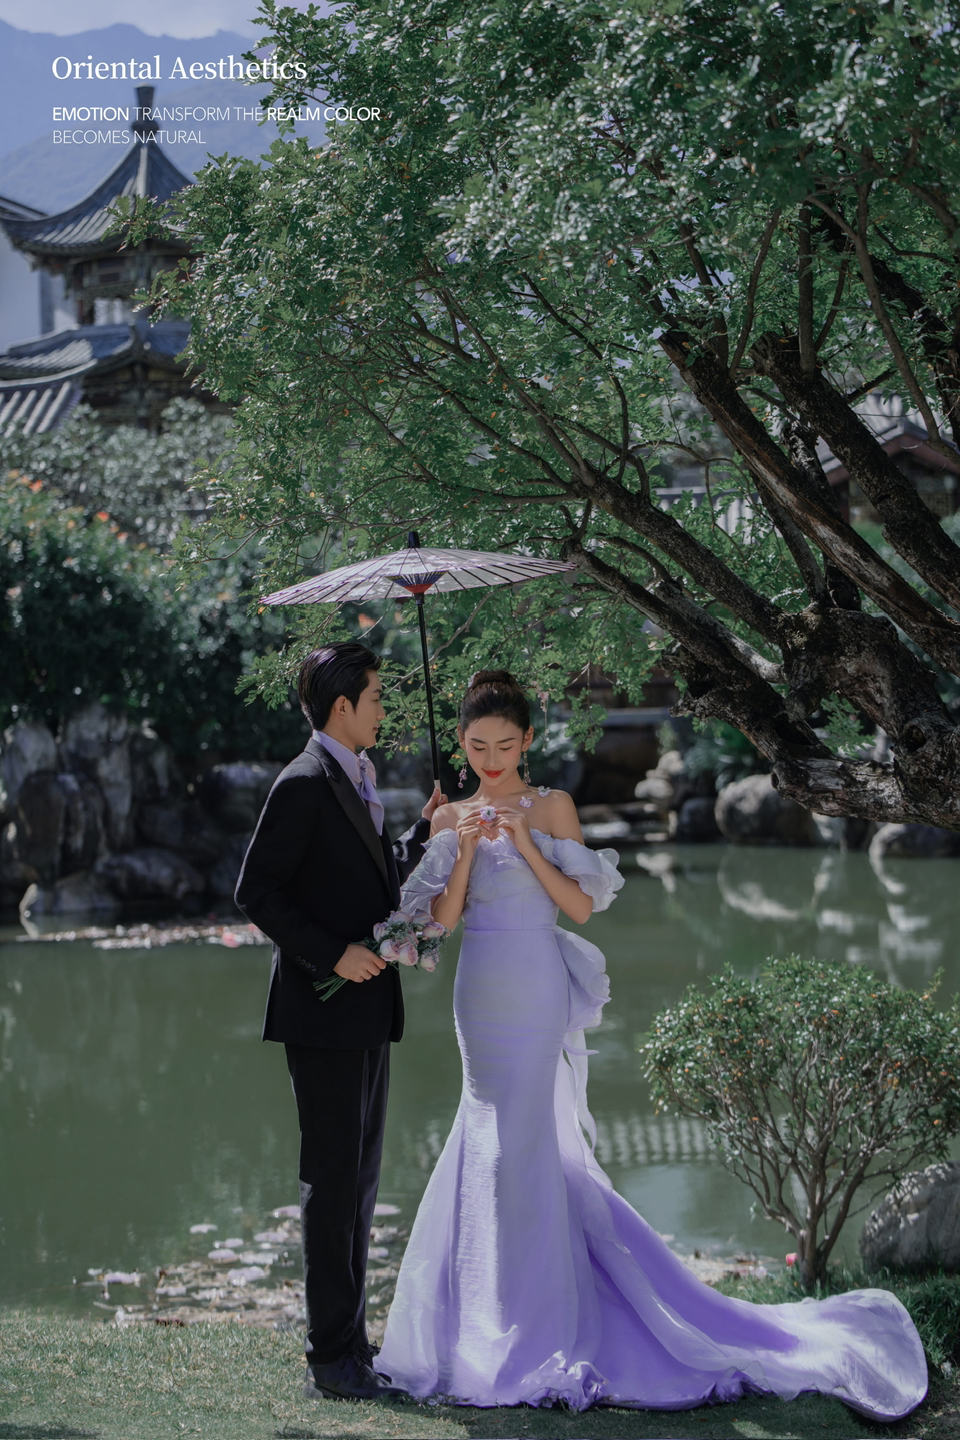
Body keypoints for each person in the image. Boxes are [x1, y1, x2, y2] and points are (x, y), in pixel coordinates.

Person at [374, 669, 928, 1419]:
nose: (491, 760)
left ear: (528, 740)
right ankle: (479, 1320)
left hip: (535, 985)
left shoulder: (554, 806)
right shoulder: (450, 816)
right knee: (485, 1135)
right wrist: (465, 848)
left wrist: (528, 844)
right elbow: (439, 923)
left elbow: (580, 907)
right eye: (477, 747)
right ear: (463, 745)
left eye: (505, 745)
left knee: (523, 1141)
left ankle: (540, 1322)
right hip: (479, 995)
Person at [234, 642, 445, 1403]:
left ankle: (352, 1339)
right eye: (377, 698)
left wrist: (421, 836)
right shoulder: (302, 781)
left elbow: (369, 879)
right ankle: (331, 1358)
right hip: (322, 1014)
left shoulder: (355, 776)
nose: (384, 710)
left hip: (364, 1011)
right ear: (343, 706)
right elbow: (256, 892)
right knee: (331, 1184)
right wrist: (333, 956)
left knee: (359, 1181)